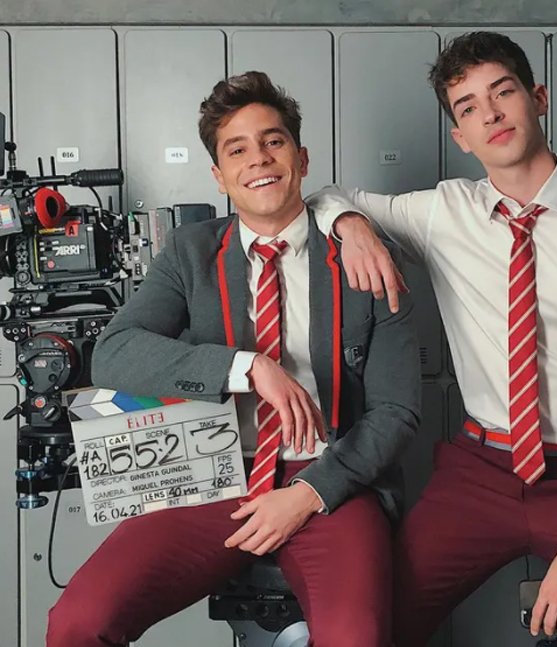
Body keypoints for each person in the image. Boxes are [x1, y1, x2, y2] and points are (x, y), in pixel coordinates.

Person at [307, 31, 557, 647]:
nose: (491, 114)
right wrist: (353, 225)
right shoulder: (443, 213)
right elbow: (320, 196)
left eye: (503, 92)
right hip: (478, 475)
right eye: (469, 106)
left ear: (538, 98)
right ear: (460, 136)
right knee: (363, 628)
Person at [46, 71, 420, 647]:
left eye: (273, 141)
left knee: (356, 638)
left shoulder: (365, 257)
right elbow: (115, 353)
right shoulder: (190, 252)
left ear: (301, 158)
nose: (259, 159)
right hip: (212, 475)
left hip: (331, 479)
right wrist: (247, 367)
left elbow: (396, 410)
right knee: (78, 623)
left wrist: (309, 492)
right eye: (237, 150)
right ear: (219, 176)